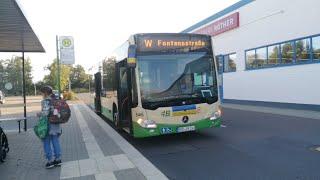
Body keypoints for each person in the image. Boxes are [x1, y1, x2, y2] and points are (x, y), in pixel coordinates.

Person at [38, 85, 62, 169]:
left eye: (42, 93)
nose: (41, 95)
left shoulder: (45, 101)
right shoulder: (56, 100)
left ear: (45, 93)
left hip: (47, 125)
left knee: (46, 142)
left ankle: (50, 161)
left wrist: (39, 114)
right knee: (55, 141)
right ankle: (58, 159)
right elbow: (57, 113)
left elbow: (45, 113)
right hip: (55, 123)